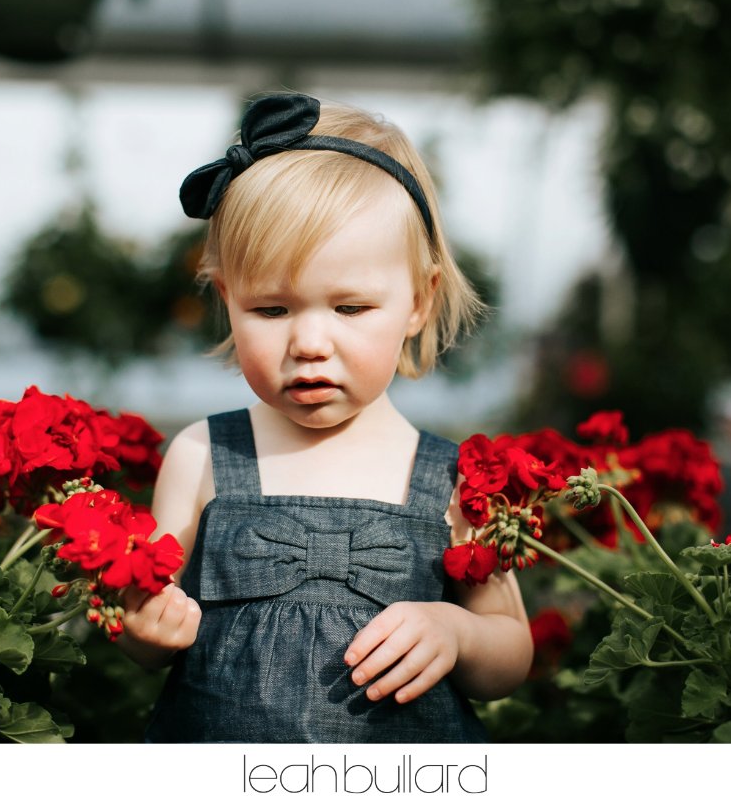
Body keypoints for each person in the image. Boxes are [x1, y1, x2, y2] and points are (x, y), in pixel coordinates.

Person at [119, 92, 532, 743]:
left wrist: (455, 631)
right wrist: (145, 624)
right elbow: (146, 632)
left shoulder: (453, 478)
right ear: (228, 301)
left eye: (350, 309)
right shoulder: (201, 455)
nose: (310, 342)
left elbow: (509, 652)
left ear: (418, 302)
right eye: (272, 310)